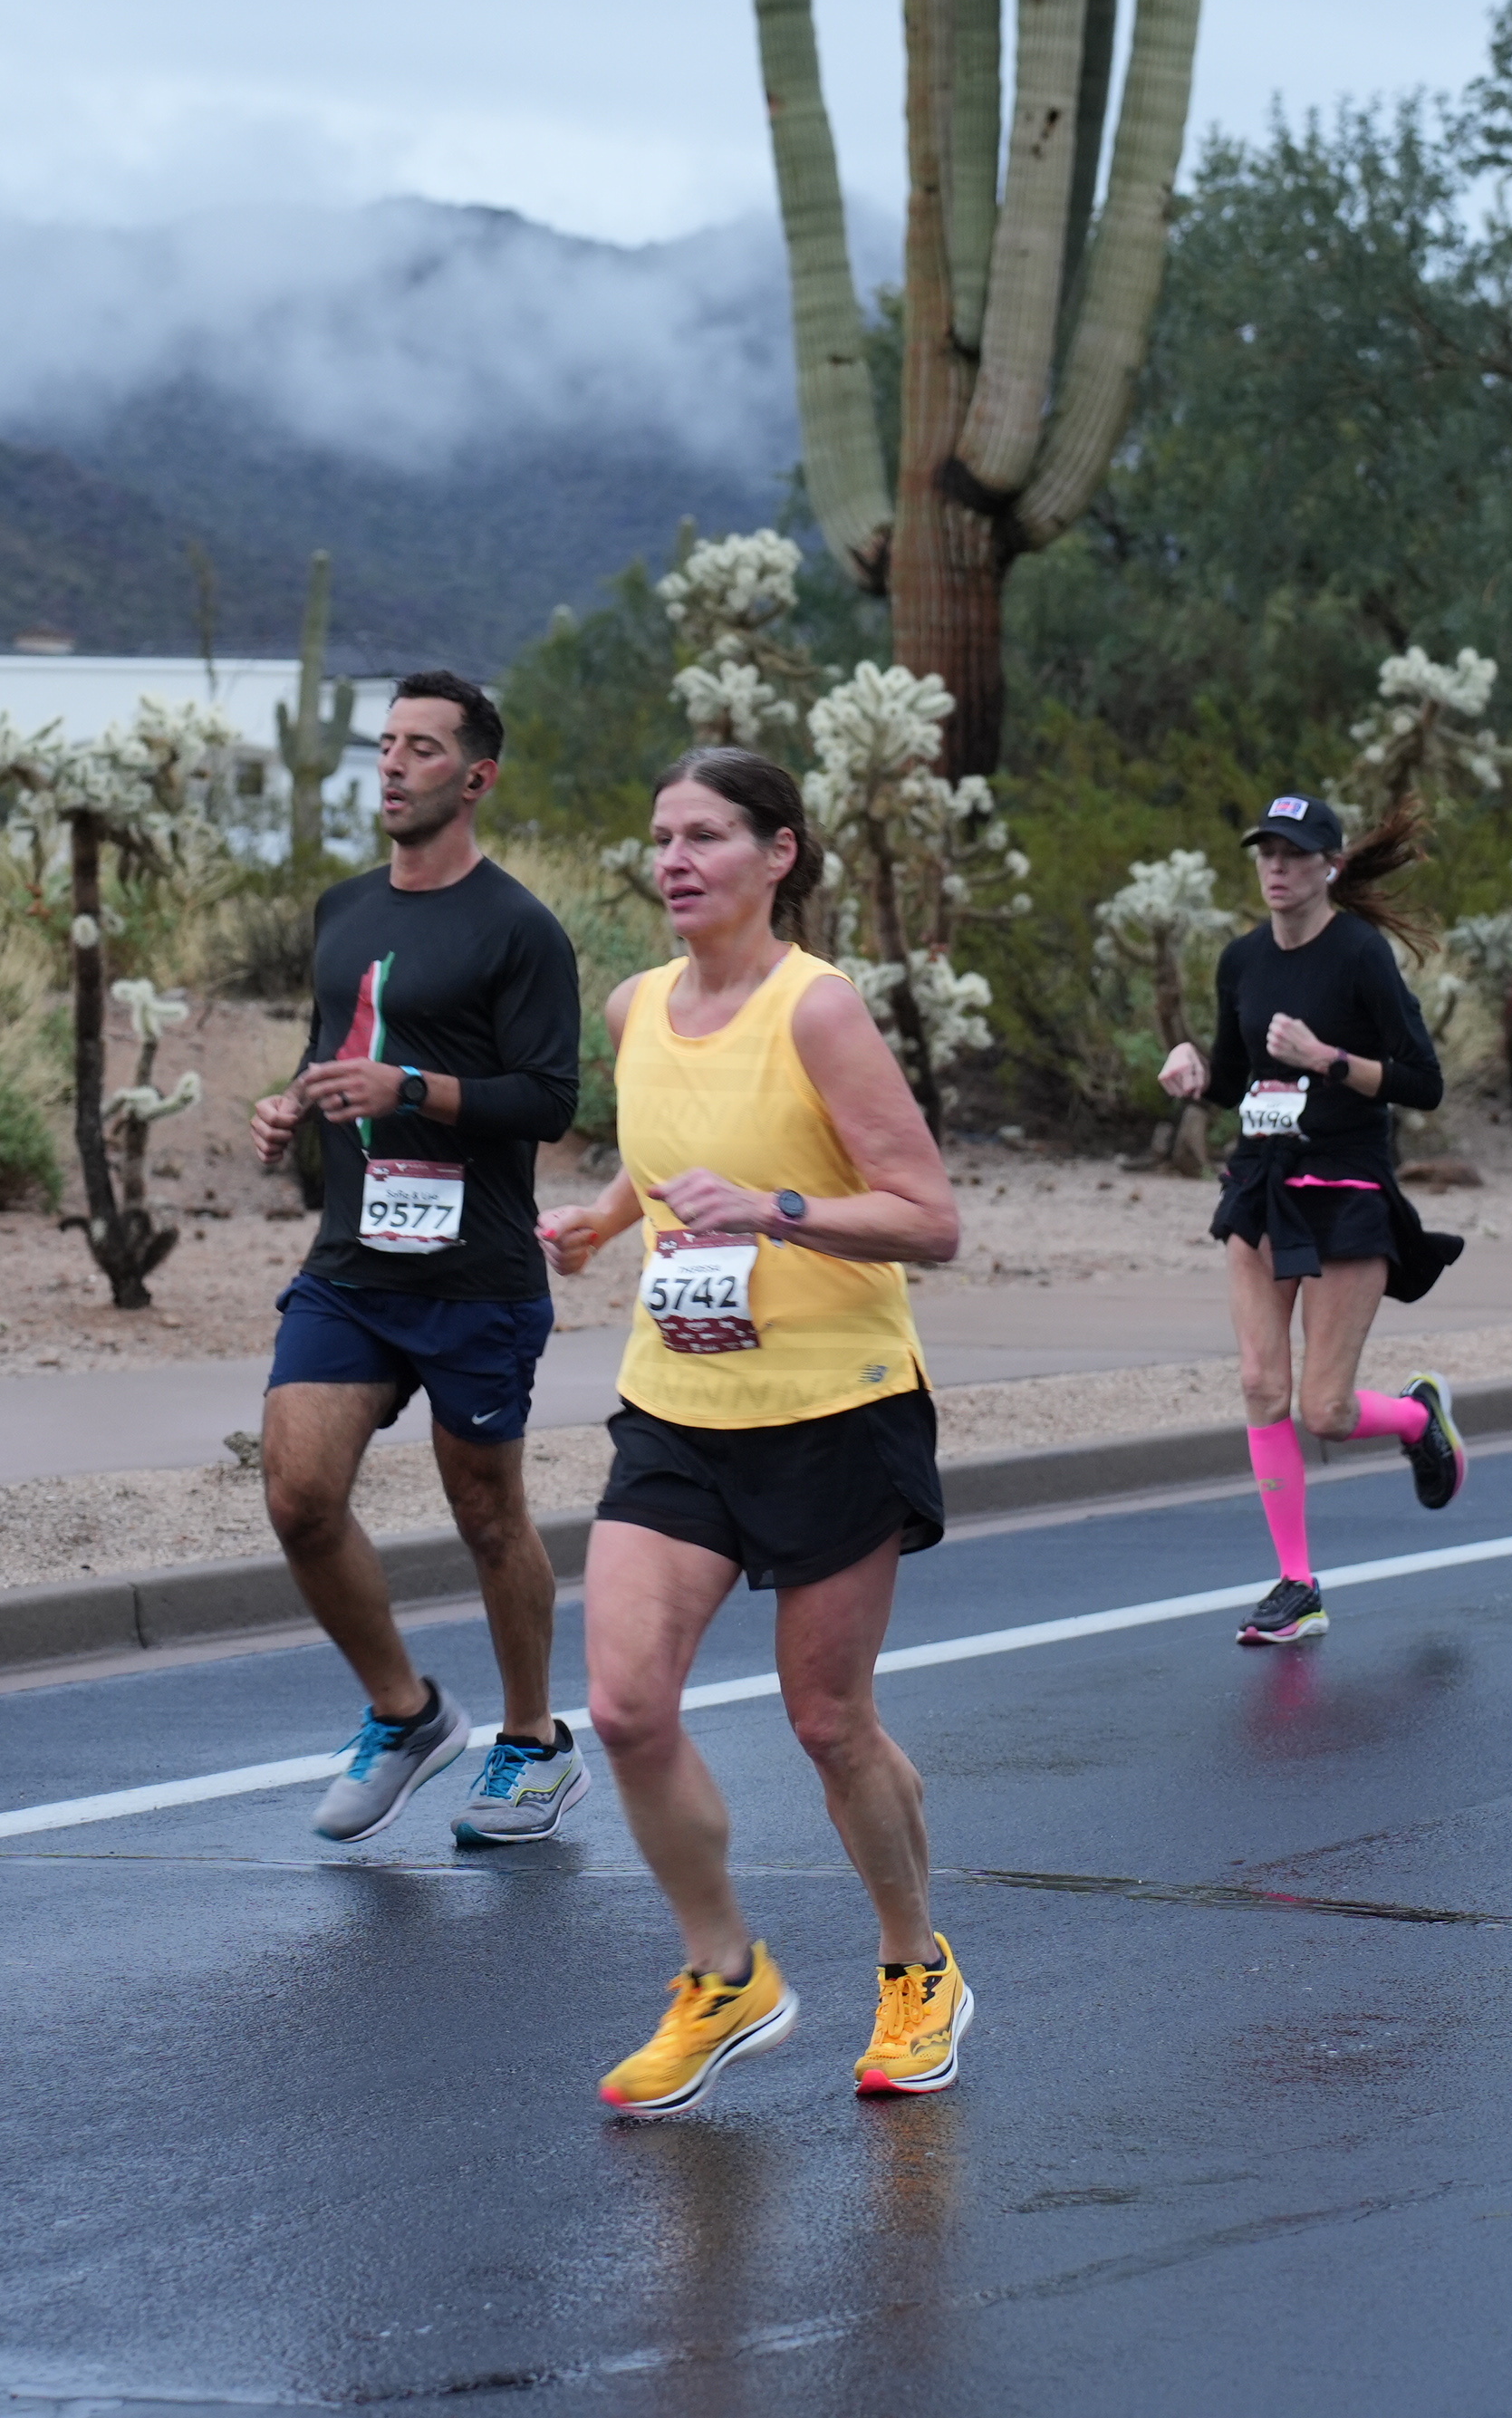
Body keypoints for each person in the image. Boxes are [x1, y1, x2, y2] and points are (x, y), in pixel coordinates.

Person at [537, 748, 972, 2115]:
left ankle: (915, 1966)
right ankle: (725, 1974)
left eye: (707, 835)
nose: (674, 859)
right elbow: (675, 1149)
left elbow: (929, 1219)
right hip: (678, 1405)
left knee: (830, 1724)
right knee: (624, 1707)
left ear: (778, 854)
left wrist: (778, 1212)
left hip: (836, 1408)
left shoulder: (818, 1008)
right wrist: (608, 1216)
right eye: (662, 836)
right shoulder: (636, 1006)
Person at [245, 674, 585, 1846]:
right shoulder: (344, 908)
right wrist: (292, 1106)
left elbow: (548, 1100)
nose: (391, 764)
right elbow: (332, 1048)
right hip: (353, 1263)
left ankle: (535, 1746)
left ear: (476, 777)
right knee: (298, 1495)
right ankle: (407, 1713)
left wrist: (413, 1089)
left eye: (422, 748)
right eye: (386, 743)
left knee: (486, 1512)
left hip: (474, 1269)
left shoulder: (519, 928)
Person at [1155, 792, 1467, 1648]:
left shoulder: (1360, 954)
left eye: (1294, 854)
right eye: (1267, 852)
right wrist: (1193, 1069)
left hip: (1346, 1186)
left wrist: (1327, 1059)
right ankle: (1297, 1584)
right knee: (1262, 1383)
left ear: (1330, 865)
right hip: (1263, 1181)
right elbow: (1235, 1078)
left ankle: (1418, 1418)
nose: (1277, 868)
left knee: (1325, 1410)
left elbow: (1423, 1082)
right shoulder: (1242, 960)